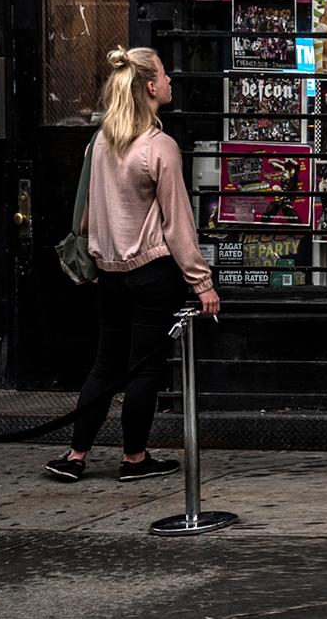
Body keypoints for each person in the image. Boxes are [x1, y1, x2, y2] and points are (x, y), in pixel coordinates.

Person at [45, 47, 220, 483]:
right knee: (145, 368)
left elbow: (88, 213)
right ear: (150, 87)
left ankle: (75, 455)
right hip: (152, 274)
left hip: (109, 276)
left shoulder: (99, 143)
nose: (170, 80)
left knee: (105, 363)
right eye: (164, 74)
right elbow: (177, 224)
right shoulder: (159, 147)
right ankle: (135, 458)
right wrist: (202, 282)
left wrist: (99, 254)